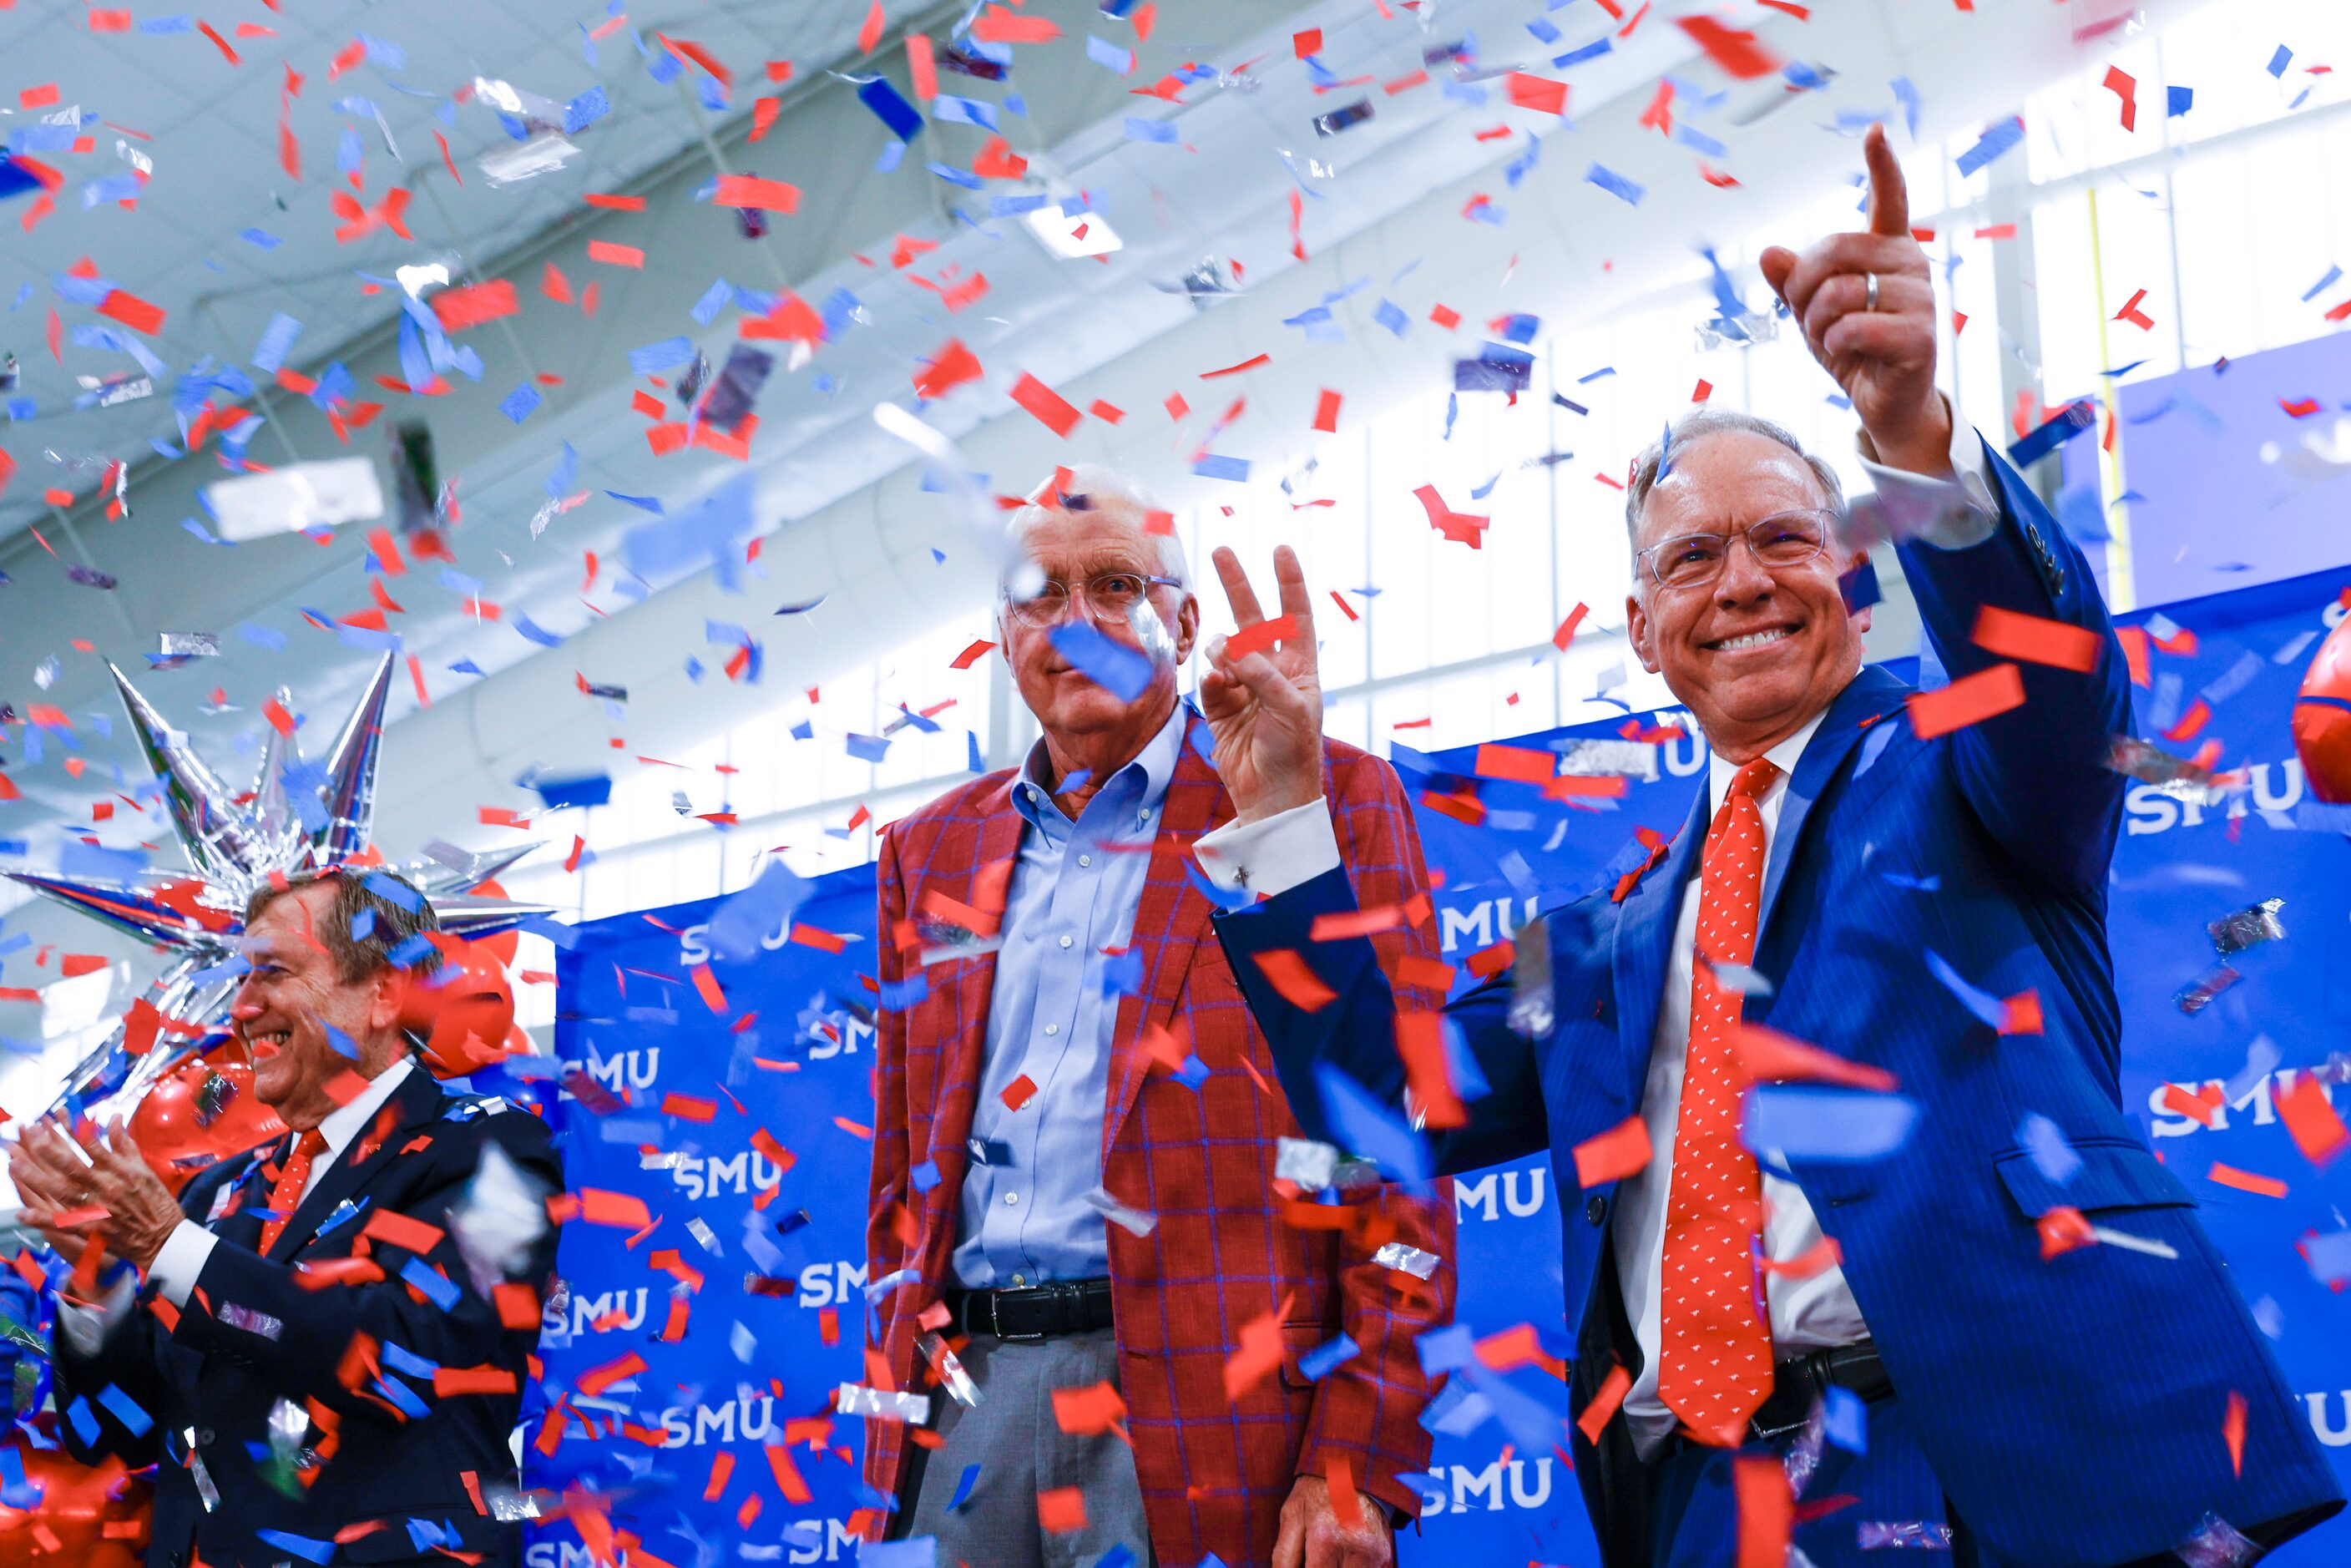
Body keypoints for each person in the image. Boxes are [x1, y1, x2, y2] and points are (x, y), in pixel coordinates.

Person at [1187, 126, 2344, 1567]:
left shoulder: (1964, 768)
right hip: (1704, 1499)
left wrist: (1915, 439)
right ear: (1640, 631)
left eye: (1785, 540)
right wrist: (1284, 812)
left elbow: (2048, 674)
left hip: (1997, 1463)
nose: (1742, 582)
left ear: (1854, 576)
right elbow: (1386, 1094)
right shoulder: (1610, 936)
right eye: (1690, 558)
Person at [863, 467, 1454, 1568]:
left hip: (1210, 1421)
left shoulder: (1319, 798)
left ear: (1183, 624)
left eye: (1117, 585)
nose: (1076, 622)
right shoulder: (926, 852)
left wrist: (1357, 1465)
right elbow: (904, 1175)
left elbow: (1398, 1157)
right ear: (1004, 636)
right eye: (1042, 594)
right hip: (960, 1412)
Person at [8, 869, 563, 1568]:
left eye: (271, 973)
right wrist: (103, 1282)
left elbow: (413, 1358)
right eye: (241, 980)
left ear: (383, 993)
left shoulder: (496, 1149)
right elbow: (120, 1433)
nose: (240, 1008)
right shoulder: (220, 1192)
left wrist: (169, 1246)